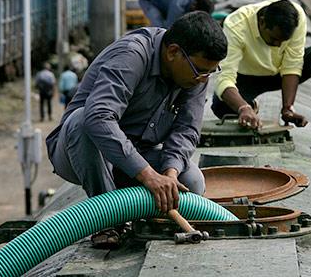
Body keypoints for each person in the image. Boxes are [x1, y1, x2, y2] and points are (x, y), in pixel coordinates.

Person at [46, 12, 228, 213]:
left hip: (136, 154)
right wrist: (147, 175)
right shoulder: (132, 55)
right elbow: (99, 117)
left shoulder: (195, 73)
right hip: (82, 151)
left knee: (191, 182)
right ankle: (106, 218)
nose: (203, 79)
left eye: (210, 72)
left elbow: (187, 129)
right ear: (173, 52)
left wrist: (170, 172)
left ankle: (142, 212)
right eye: (201, 71)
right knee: (82, 119)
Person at [211, 0, 311, 157]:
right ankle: (250, 105)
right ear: (262, 22)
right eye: (274, 39)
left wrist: (288, 109)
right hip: (247, 76)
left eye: (283, 41)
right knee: (221, 106)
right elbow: (225, 78)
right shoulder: (236, 25)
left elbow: (292, 65)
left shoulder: (297, 17)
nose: (279, 46)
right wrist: (243, 107)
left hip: (280, 73)